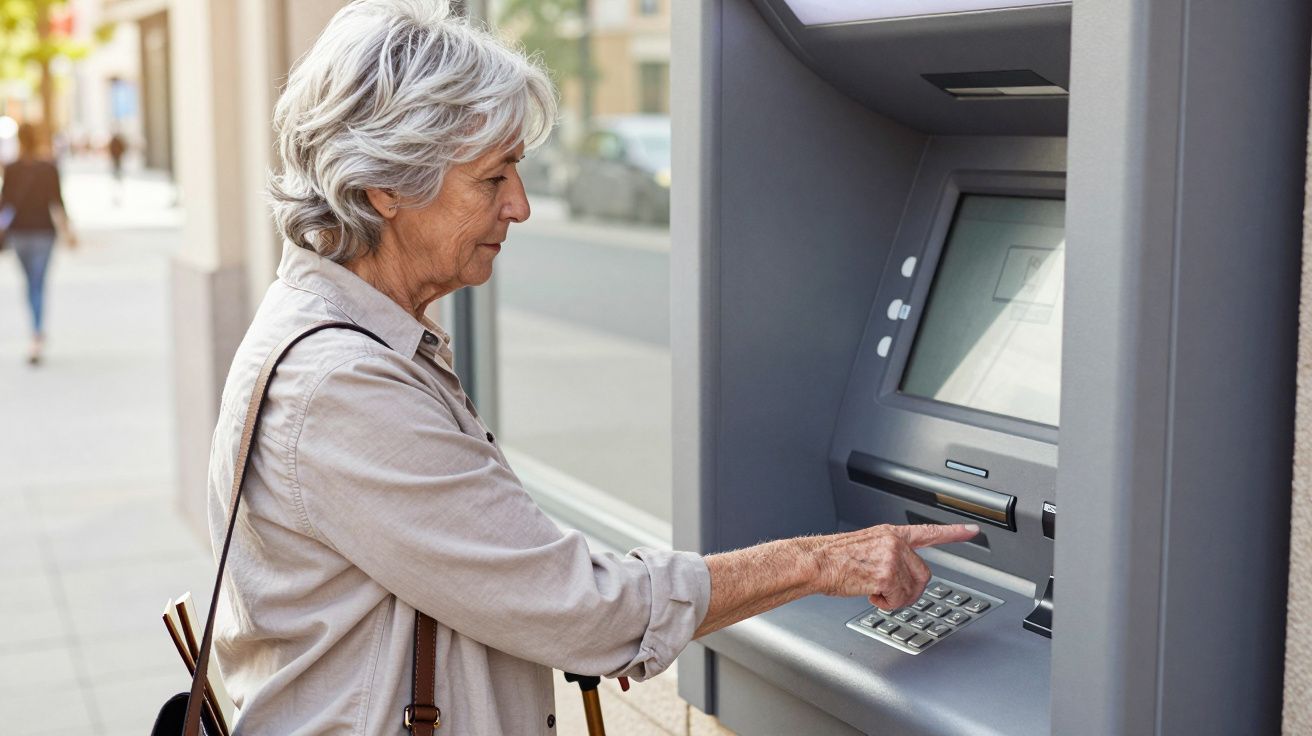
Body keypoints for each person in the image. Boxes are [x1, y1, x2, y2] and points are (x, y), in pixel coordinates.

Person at [207, 2, 979, 733]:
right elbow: (581, 608)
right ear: (387, 186)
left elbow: (508, 568)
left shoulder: (350, 334)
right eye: (493, 177)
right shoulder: (342, 384)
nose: (520, 206)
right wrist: (820, 559)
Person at [1, 123, 76, 365]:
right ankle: (37, 332)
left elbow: (5, 204)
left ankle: (35, 332)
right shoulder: (49, 168)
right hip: (43, 233)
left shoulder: (11, 169)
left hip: (21, 233)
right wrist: (68, 231)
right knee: (38, 283)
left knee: (30, 284)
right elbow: (58, 201)